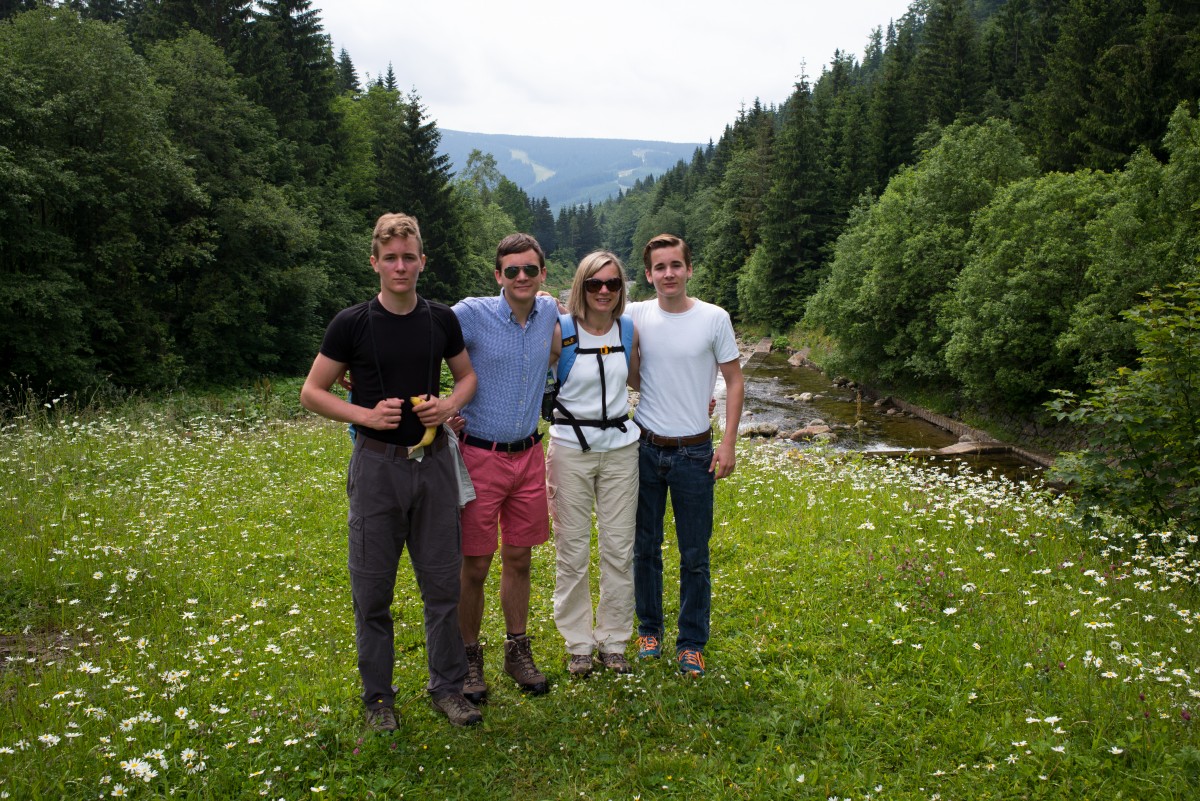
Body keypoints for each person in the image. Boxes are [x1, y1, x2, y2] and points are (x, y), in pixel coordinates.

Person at [299, 213, 482, 730]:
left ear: (422, 261)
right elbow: (312, 392)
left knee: (443, 586)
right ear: (375, 262)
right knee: (372, 591)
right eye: (391, 258)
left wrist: (448, 404)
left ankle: (448, 688)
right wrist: (363, 415)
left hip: (434, 465)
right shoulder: (351, 323)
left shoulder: (440, 319)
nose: (400, 266)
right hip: (377, 469)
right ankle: (378, 699)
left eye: (409, 257)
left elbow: (466, 377)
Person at [629, 233, 745, 677]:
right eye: (660, 267)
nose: (668, 274)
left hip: (696, 451)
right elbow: (587, 313)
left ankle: (691, 641)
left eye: (675, 265)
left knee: (695, 552)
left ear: (689, 269)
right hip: (645, 447)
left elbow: (733, 381)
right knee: (645, 547)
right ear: (648, 274)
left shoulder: (714, 318)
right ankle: (650, 630)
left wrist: (728, 442)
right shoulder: (636, 313)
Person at [452, 233, 559, 700]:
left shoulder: (550, 312)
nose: (520, 277)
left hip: (530, 455)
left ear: (542, 274)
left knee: (520, 557)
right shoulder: (470, 314)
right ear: (497, 275)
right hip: (479, 454)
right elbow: (418, 339)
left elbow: (602, 321)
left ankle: (518, 649)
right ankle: (467, 658)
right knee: (474, 563)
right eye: (511, 270)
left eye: (529, 270)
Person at [546, 251, 641, 677]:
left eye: (613, 284)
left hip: (621, 448)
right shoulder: (560, 332)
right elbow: (526, 372)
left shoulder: (628, 330)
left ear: (622, 289)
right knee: (572, 550)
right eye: (594, 284)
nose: (603, 291)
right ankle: (579, 642)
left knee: (620, 549)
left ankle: (615, 640)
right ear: (580, 286)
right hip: (569, 447)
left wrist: (699, 396)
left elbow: (641, 379)